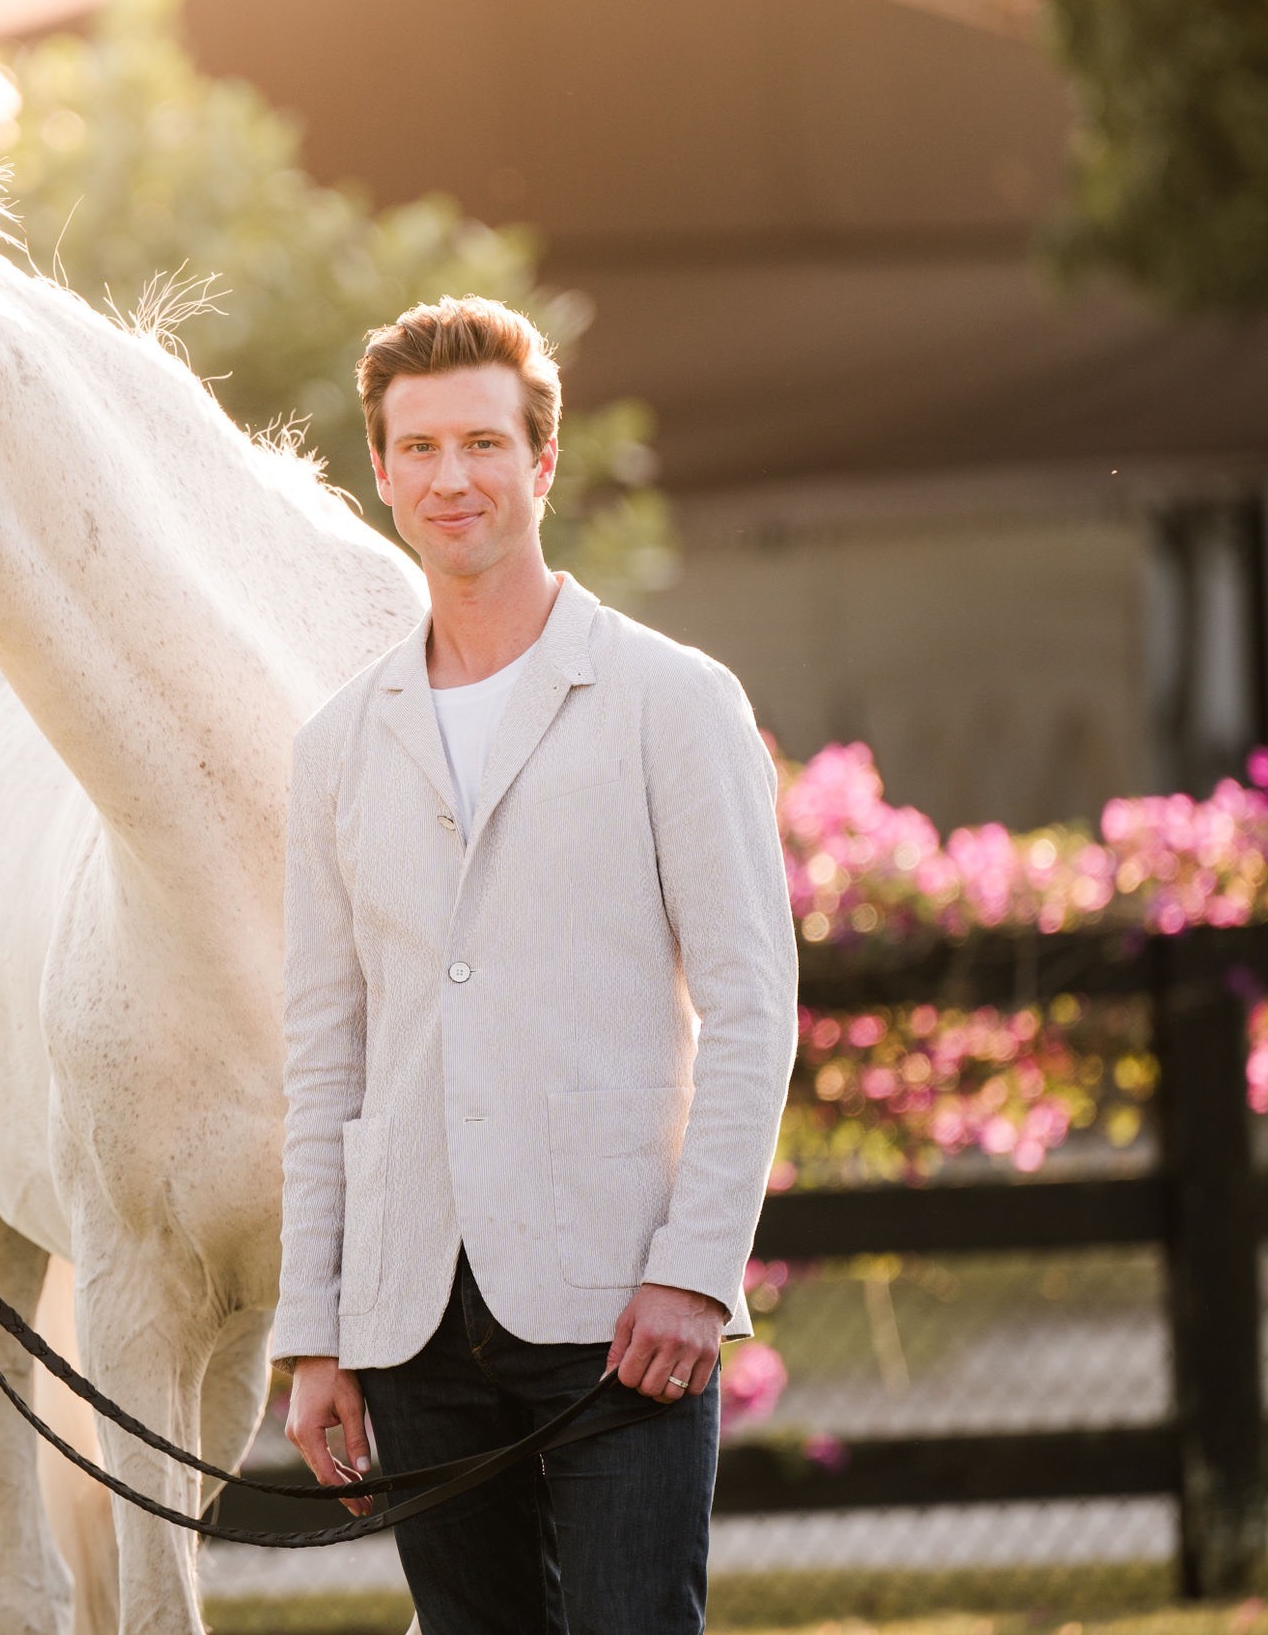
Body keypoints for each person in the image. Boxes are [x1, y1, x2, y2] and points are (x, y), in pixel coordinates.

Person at [272, 295, 797, 1635]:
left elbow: (753, 1010)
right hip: (411, 1323)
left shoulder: (674, 702)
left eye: (484, 444)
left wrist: (697, 1270)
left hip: (623, 1310)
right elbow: (326, 1056)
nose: (453, 478)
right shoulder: (335, 747)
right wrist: (315, 1332)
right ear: (380, 472)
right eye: (421, 448)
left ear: (542, 462)